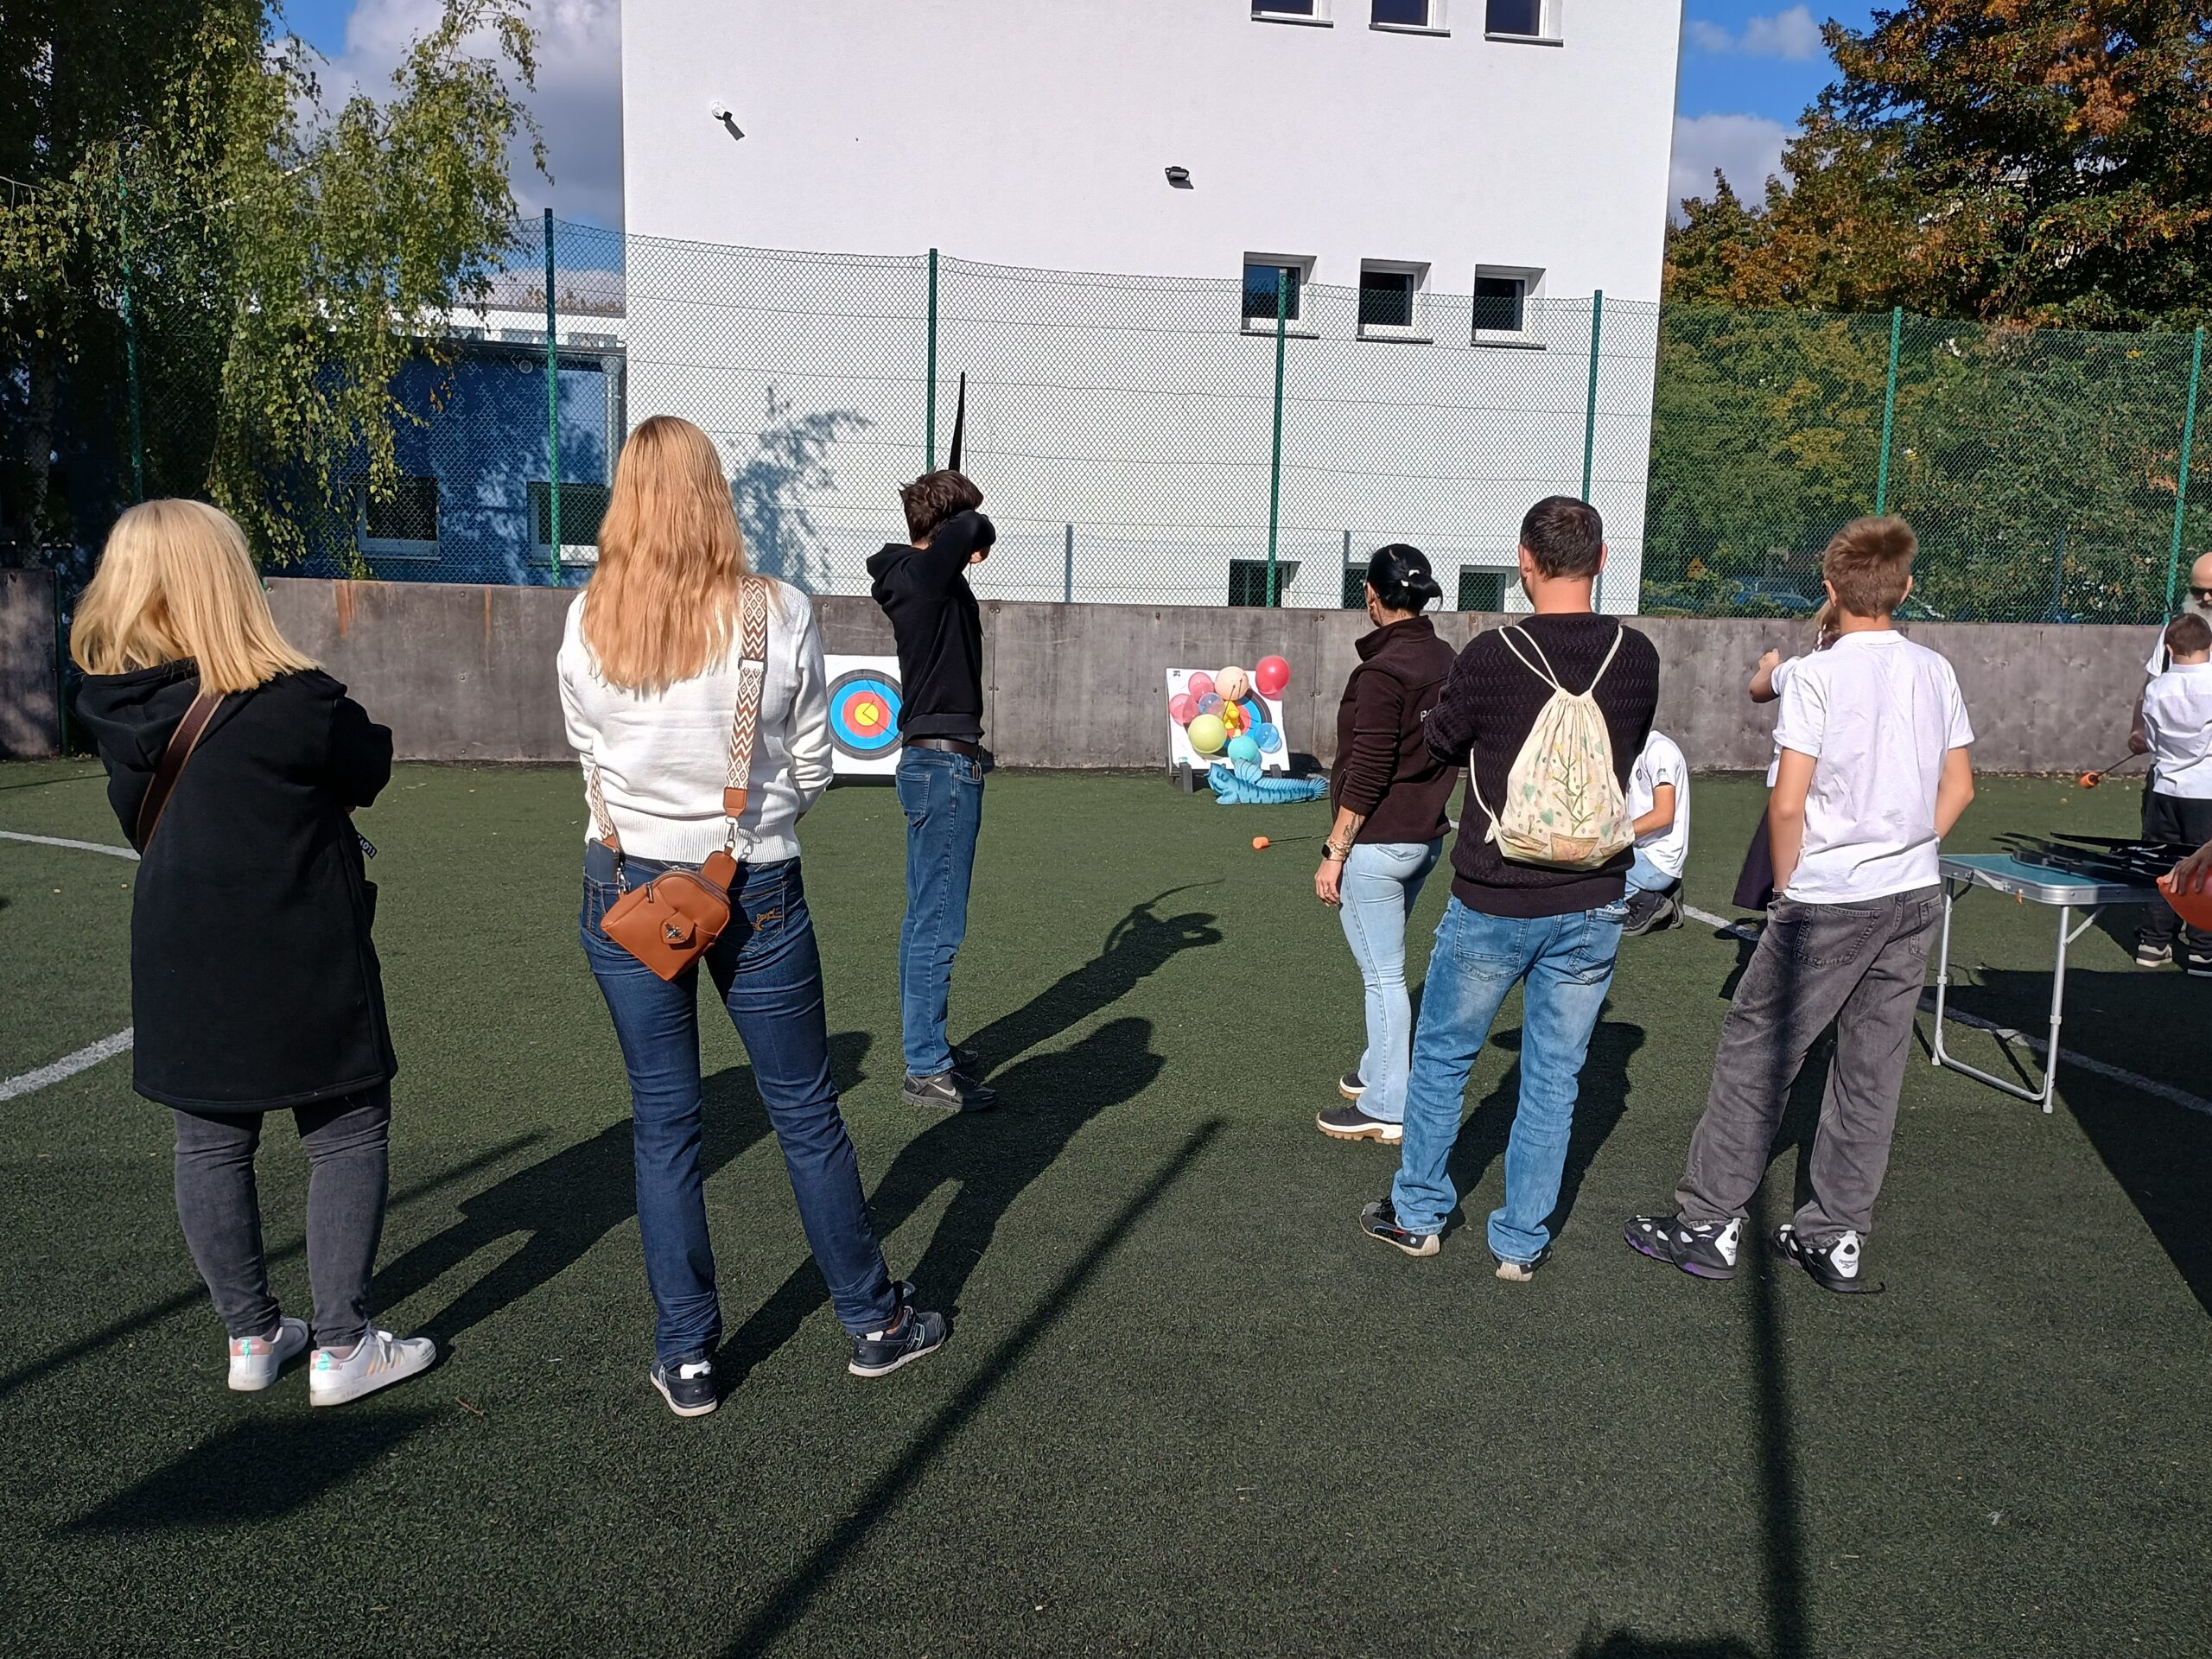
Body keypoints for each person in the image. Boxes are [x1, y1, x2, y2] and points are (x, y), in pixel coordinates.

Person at [562, 416, 946, 1417]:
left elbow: (584, 746)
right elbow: (813, 761)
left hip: (625, 883)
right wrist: (749, 826)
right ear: (714, 495)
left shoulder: (589, 615)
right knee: (805, 1114)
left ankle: (687, 1356)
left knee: (664, 1126)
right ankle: (873, 1323)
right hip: (753, 882)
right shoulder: (777, 609)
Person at [71, 499, 434, 1406]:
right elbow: (370, 765)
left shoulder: (109, 705)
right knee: (346, 1128)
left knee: (209, 1140)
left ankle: (252, 1335)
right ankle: (343, 1346)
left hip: (178, 948)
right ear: (223, 582)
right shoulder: (293, 700)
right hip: (300, 942)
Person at [1625, 517, 1975, 1295]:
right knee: (1871, 1069)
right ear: (1905, 588)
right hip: (1913, 893)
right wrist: (1905, 847)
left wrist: (1787, 892)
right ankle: (1836, 1236)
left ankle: (1708, 1222)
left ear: (1828, 588)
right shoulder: (1935, 669)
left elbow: (1788, 803)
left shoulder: (1818, 675)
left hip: (1827, 896)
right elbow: (1959, 789)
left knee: (1757, 1054)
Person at [1359, 497, 1659, 1280]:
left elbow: (1441, 740)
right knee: (1555, 1080)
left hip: (1495, 891)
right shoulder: (1637, 655)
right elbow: (1626, 749)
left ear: (1524, 562)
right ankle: (1520, 1244)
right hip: (1595, 897)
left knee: (1443, 1060)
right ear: (1602, 560)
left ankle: (1418, 1215)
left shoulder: (1493, 655)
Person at [1313, 543, 1459, 1144]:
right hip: (1423, 840)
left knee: (1382, 978)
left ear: (1372, 595)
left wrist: (1335, 852)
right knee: (1387, 973)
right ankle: (1377, 1073)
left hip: (1379, 845)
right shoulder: (1444, 656)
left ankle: (1387, 1105)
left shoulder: (1381, 672)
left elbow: (1370, 769)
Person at [868, 473, 998, 1113]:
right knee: (938, 923)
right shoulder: (923, 577)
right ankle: (924, 1065)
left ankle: (929, 1043)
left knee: (928, 916)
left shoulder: (921, 578)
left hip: (939, 763)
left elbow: (964, 532)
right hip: (943, 770)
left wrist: (955, 528)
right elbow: (974, 526)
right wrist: (967, 523)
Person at [1733, 604, 1839, 912]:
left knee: (1791, 883)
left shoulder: (1801, 670)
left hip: (1802, 792)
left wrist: (1770, 666)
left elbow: (1757, 689)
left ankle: (1783, 903)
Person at [2131, 612, 2212, 974]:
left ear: (2167, 649)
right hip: (2206, 791)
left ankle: (2153, 942)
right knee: (2205, 867)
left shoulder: (2156, 688)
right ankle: (2203, 950)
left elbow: (2151, 740)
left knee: (2161, 863)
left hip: (2164, 788)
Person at [1622, 728, 1689, 935]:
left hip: (1657, 861)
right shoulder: (1629, 751)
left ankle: (1647, 902)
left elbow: (1664, 814)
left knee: (1590, 865)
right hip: (1639, 853)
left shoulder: (1660, 750)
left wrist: (1614, 836)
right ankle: (1665, 894)